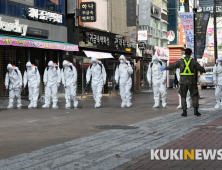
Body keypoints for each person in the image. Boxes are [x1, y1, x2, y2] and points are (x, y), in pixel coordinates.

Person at [164, 48, 206, 117]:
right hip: (192, 81)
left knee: (183, 96)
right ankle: (195, 111)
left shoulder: (180, 61)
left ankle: (184, 112)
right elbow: (202, 69)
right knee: (194, 96)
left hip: (183, 81)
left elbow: (172, 66)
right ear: (190, 54)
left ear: (184, 53)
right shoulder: (193, 61)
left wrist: (165, 68)